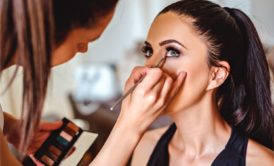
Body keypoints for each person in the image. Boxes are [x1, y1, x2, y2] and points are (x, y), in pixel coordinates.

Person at [0, 0, 186, 165]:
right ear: (47, 28)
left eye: (173, 52)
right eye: (84, 41)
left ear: (216, 73)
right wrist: (130, 124)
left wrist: (9, 126)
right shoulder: (149, 147)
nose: (84, 50)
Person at [131, 0, 274, 165]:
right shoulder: (145, 146)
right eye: (148, 51)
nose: (150, 69)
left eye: (172, 52)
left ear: (216, 75)